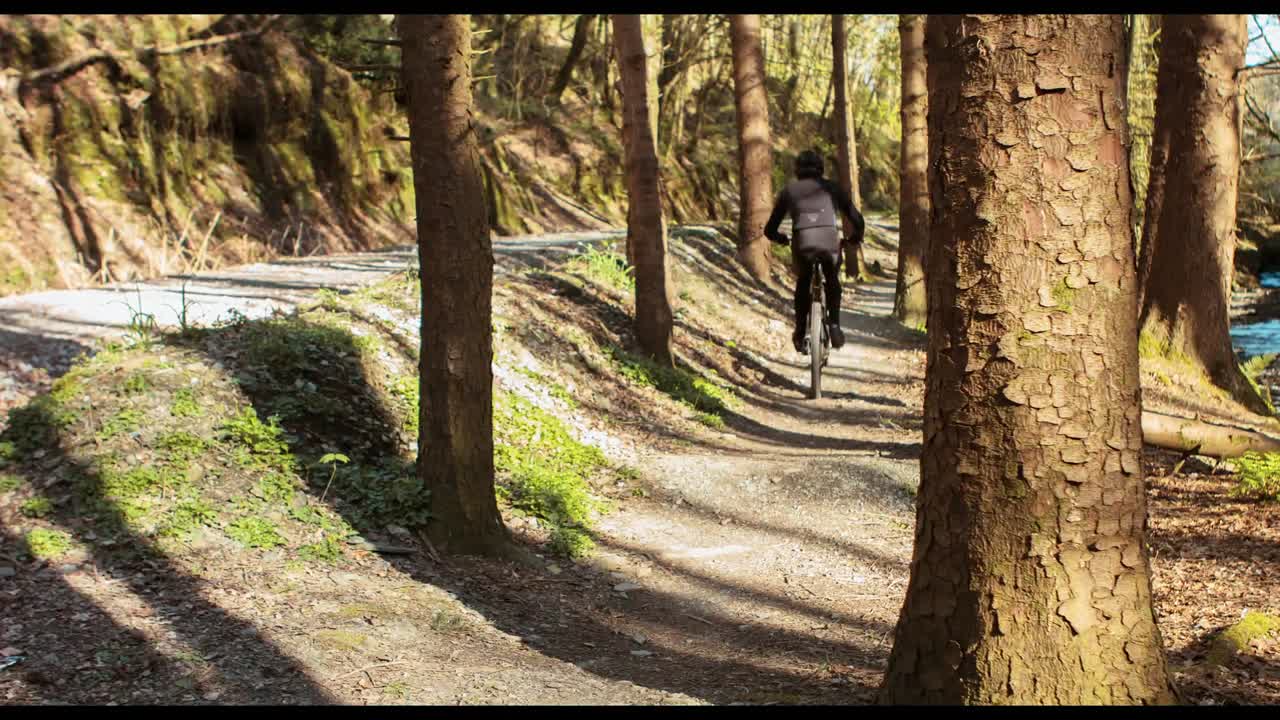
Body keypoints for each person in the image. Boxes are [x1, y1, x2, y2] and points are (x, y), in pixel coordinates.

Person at [763, 150, 865, 354]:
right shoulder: (833, 188)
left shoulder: (789, 191)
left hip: (803, 243)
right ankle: (834, 325)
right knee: (832, 278)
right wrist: (854, 239)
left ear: (797, 170)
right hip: (829, 241)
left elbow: (769, 229)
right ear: (821, 169)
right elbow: (857, 220)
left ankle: (800, 331)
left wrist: (781, 239)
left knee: (803, 281)